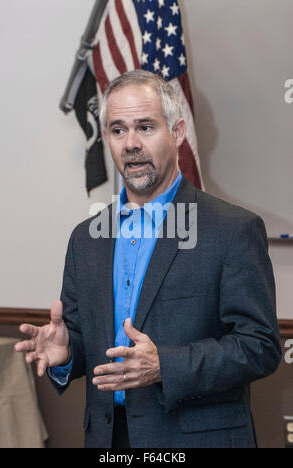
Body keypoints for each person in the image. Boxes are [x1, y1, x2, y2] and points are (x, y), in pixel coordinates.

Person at [15, 70, 281, 449]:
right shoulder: (85, 239)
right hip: (108, 440)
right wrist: (67, 351)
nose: (131, 144)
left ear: (177, 132)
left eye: (145, 127)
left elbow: (261, 345)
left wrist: (165, 366)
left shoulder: (232, 230)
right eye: (118, 130)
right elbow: (83, 339)